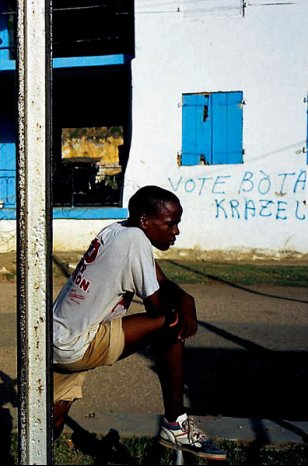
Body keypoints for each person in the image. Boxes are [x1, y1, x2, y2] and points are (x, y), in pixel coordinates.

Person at [51, 185, 226, 461]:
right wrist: (182, 307)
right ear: (145, 221)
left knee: (53, 420)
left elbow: (162, 281)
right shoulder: (135, 240)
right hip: (77, 344)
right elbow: (156, 306)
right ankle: (176, 424)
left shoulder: (117, 230)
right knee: (170, 324)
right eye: (171, 223)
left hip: (56, 337)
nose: (176, 231)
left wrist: (185, 296)